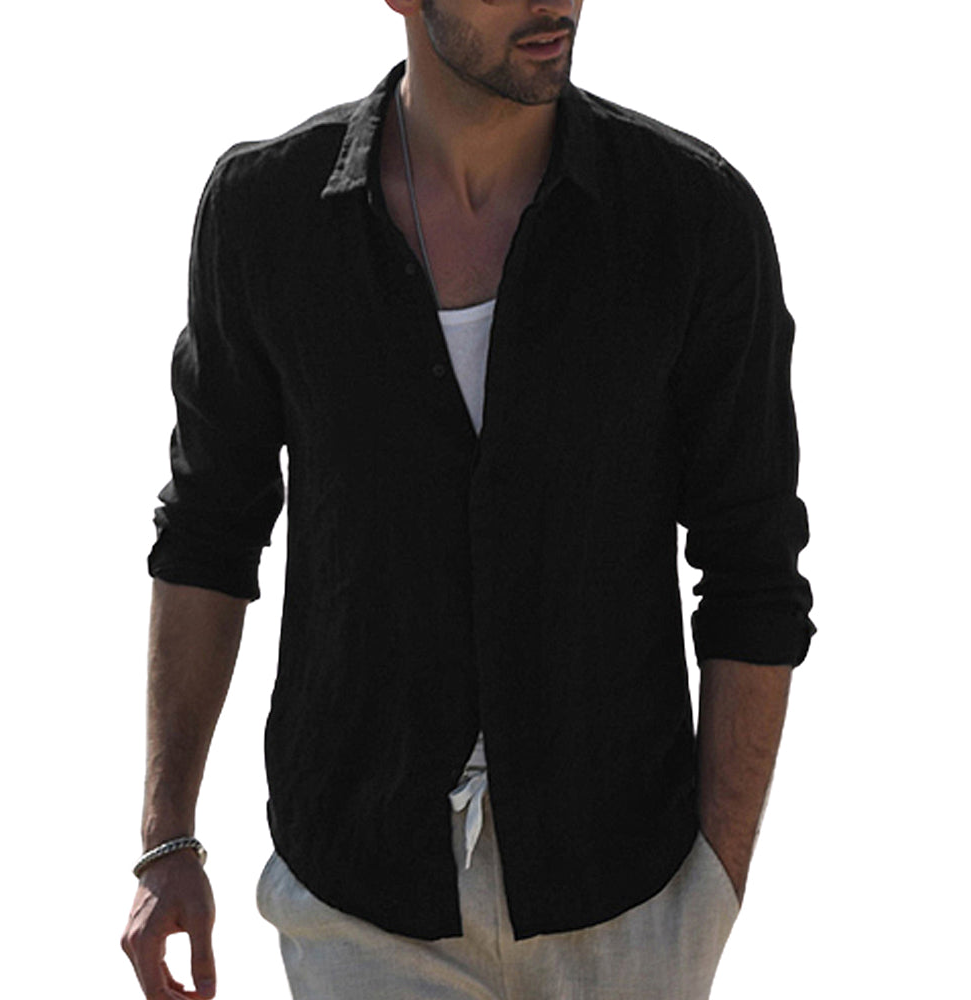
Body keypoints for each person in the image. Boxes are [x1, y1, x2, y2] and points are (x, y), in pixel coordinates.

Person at [121, 1, 815, 997]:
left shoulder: (690, 217)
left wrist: (714, 883)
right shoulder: (266, 216)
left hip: (628, 898)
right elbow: (206, 533)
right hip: (361, 899)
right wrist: (166, 839)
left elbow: (753, 566)